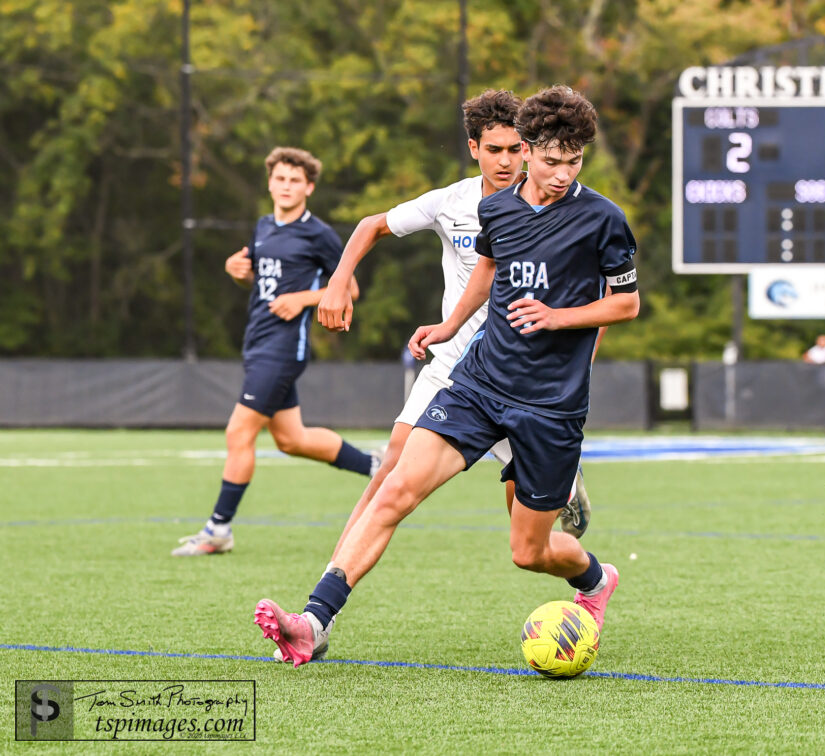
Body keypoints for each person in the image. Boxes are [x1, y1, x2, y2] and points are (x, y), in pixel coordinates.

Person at [254, 86, 640, 667]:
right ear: (532, 150)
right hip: (478, 384)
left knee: (528, 552)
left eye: (574, 161)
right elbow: (486, 272)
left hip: (550, 407)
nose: (562, 174)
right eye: (552, 160)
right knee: (393, 491)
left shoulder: (603, 218)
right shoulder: (496, 208)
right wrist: (447, 323)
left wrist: (559, 318)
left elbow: (627, 304)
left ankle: (595, 579)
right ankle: (314, 620)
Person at [316, 89, 593, 559]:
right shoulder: (452, 202)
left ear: (528, 147)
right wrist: (338, 282)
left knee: (528, 544)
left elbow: (598, 300)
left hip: (523, 375)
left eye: (514, 149)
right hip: (454, 365)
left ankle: (572, 526)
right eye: (493, 150)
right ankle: (324, 593)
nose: (505, 161)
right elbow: (371, 225)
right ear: (473, 149)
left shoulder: (556, 203)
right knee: (392, 469)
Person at [173, 147, 378, 556]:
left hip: (285, 347)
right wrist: (239, 272)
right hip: (257, 341)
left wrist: (302, 299)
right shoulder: (264, 226)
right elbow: (259, 281)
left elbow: (350, 289)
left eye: (295, 180)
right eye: (280, 179)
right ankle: (376, 466)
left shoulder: (318, 233)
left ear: (309, 187)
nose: (286, 186)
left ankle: (218, 530)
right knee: (291, 439)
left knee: (239, 431)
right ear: (270, 183)